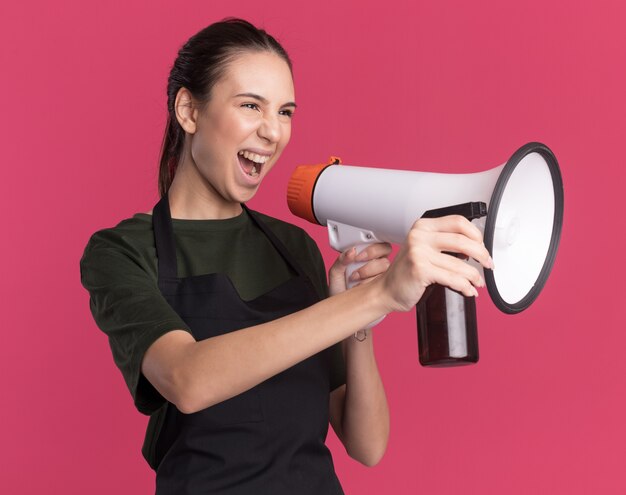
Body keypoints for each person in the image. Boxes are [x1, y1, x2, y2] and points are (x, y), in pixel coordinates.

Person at [80, 18, 493, 495]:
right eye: (251, 105)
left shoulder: (294, 248)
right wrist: (381, 294)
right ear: (189, 110)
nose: (273, 132)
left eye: (286, 111)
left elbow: (367, 444)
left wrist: (359, 318)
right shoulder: (122, 251)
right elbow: (187, 379)